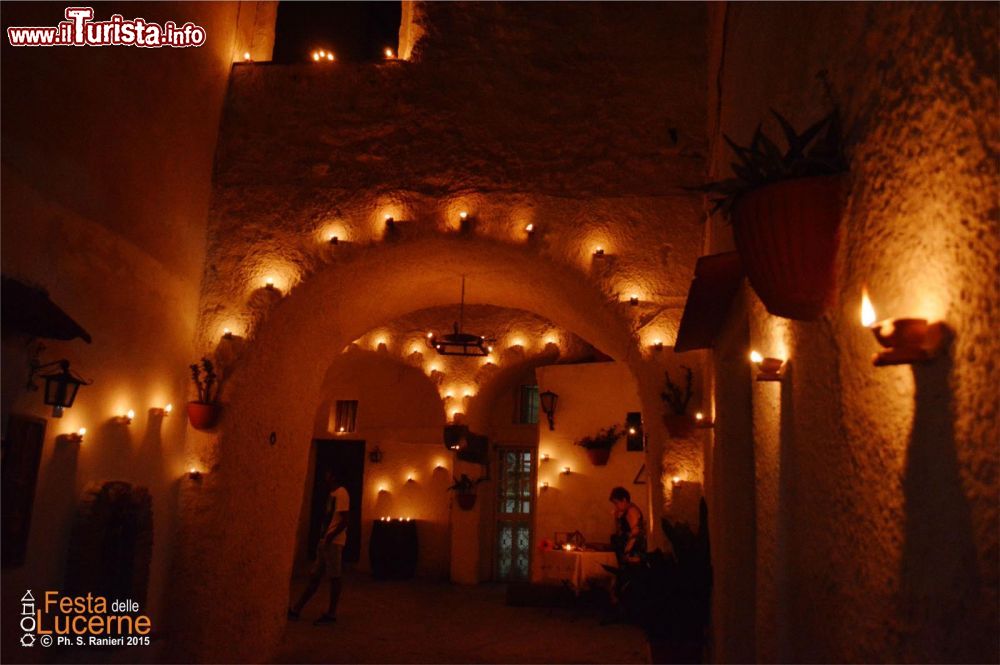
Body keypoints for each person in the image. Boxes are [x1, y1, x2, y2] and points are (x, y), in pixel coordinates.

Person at [288, 469, 350, 625]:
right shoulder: (332, 494)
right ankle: (297, 609)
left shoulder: (342, 494)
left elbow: (344, 520)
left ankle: (331, 614)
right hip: (325, 541)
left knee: (335, 577)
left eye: (328, 474)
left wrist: (330, 536)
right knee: (315, 576)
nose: (325, 477)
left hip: (333, 542)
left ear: (334, 477)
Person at [609, 486, 646, 564]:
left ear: (624, 500)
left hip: (632, 549)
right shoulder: (625, 511)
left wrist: (627, 551)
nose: (616, 506)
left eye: (616, 503)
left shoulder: (632, 511)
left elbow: (635, 533)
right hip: (627, 547)